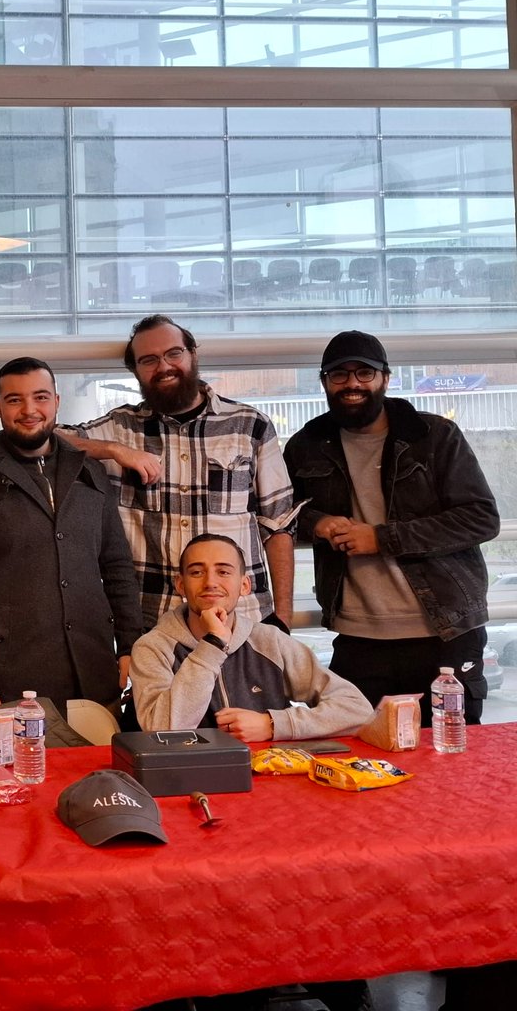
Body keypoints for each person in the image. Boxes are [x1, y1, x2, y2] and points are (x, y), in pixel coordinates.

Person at [283, 330, 499, 725]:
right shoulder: (306, 444)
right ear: (324, 382)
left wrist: (382, 538)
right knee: (359, 758)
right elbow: (279, 516)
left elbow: (480, 518)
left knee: (449, 760)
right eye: (339, 375)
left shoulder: (434, 436)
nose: (352, 384)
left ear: (386, 377)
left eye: (364, 373)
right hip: (359, 638)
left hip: (446, 632)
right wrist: (318, 523)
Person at [65, 314, 297, 631]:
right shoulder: (121, 427)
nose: (163, 367)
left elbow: (278, 525)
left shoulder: (249, 424)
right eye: (148, 360)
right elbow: (46, 437)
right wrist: (115, 451)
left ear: (192, 354)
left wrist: (283, 617)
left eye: (173, 353)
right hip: (154, 625)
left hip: (242, 620)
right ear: (136, 372)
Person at [0, 356, 142, 714]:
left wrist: (130, 645)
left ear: (57, 402)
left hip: (94, 671)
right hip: (11, 680)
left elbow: (118, 569)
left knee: (99, 769)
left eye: (41, 397)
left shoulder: (91, 474)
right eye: (15, 400)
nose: (29, 409)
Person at [131, 533, 372, 740]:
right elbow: (163, 731)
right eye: (197, 572)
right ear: (181, 585)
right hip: (189, 780)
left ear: (244, 585)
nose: (210, 582)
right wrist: (212, 645)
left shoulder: (270, 640)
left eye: (224, 571)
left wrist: (273, 724)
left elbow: (357, 709)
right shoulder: (152, 648)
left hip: (271, 777)